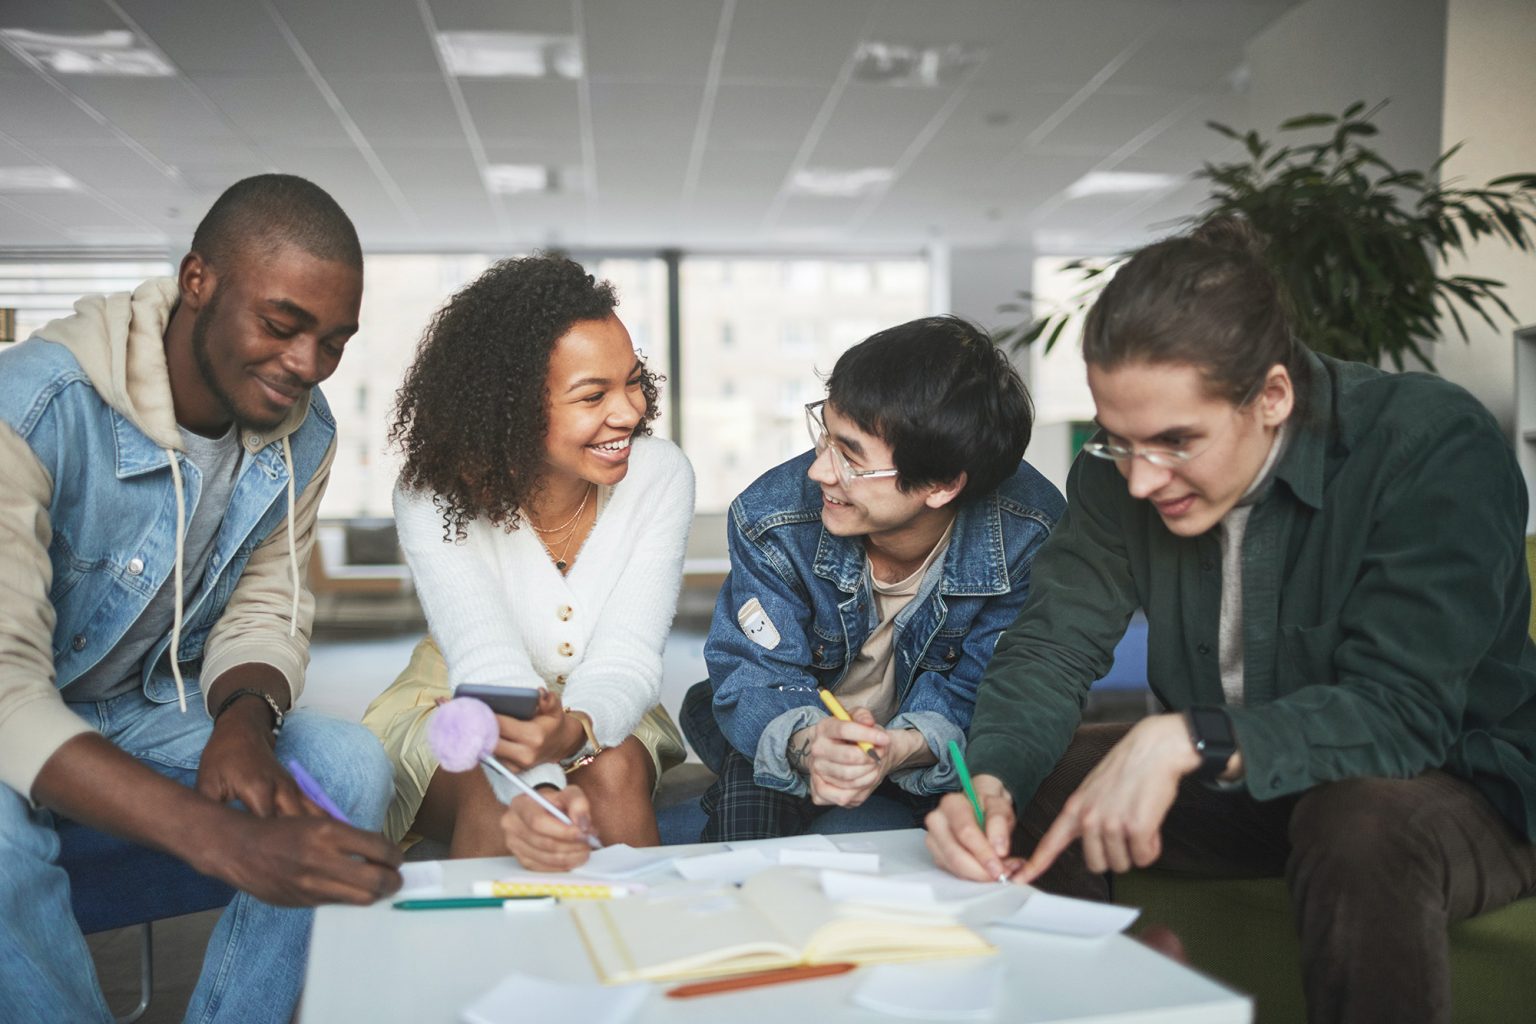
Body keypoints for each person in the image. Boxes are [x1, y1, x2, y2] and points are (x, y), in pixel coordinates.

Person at [926, 217, 1536, 1024]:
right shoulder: (1118, 474)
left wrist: (1188, 737)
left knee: (1354, 819)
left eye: (1177, 442)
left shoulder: (1429, 445)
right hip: (1251, 784)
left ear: (1273, 396)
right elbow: (1049, 647)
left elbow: (1405, 713)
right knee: (1048, 777)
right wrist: (992, 780)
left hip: (1459, 784)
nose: (1142, 479)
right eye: (1119, 440)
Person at [0, 174, 402, 1024]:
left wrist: (243, 721)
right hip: (15, 707)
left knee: (347, 765)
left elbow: (268, 605)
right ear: (198, 282)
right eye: (282, 325)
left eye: (333, 341)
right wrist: (224, 839)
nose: (306, 365)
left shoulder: (306, 431)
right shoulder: (35, 407)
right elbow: (7, 693)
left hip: (134, 707)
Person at [363, 255, 692, 870]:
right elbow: (488, 658)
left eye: (633, 380)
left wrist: (579, 729)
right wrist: (539, 786)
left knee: (614, 769)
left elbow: (626, 653)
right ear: (509, 406)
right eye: (592, 394)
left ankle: (648, 956)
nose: (629, 412)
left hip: (608, 697)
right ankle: (487, 966)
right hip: (460, 700)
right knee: (499, 795)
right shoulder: (432, 494)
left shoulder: (660, 475)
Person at [681, 316, 1065, 841]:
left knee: (979, 820)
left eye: (852, 458)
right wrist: (814, 743)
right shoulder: (771, 515)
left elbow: (990, 693)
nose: (819, 471)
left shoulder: (1028, 531)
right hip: (799, 711)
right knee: (747, 791)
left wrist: (899, 749)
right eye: (826, 437)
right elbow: (755, 675)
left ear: (941, 485)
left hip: (929, 735)